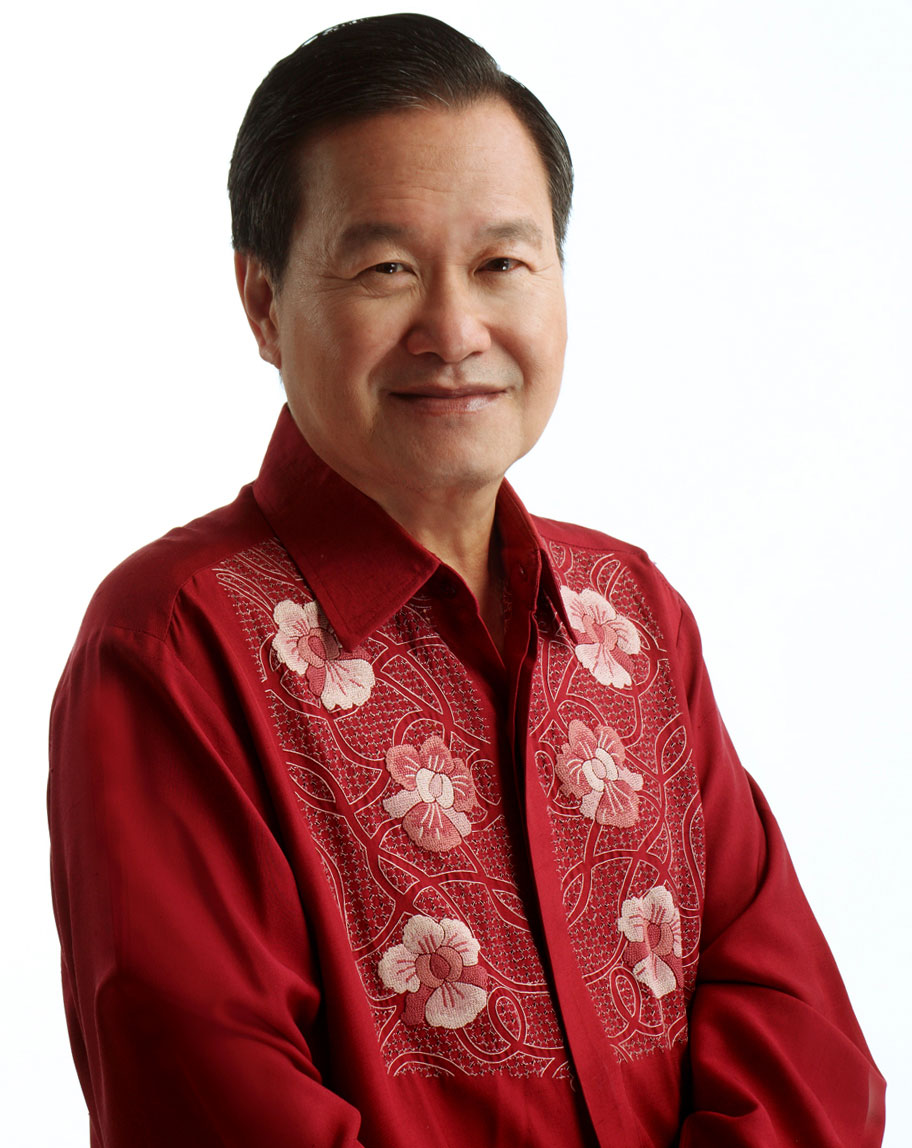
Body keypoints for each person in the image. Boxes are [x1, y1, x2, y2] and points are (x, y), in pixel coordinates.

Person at [48, 13, 885, 1147]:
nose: (453, 330)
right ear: (263, 303)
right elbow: (209, 1096)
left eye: (501, 264)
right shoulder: (174, 642)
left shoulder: (629, 612)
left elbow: (798, 1030)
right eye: (386, 268)